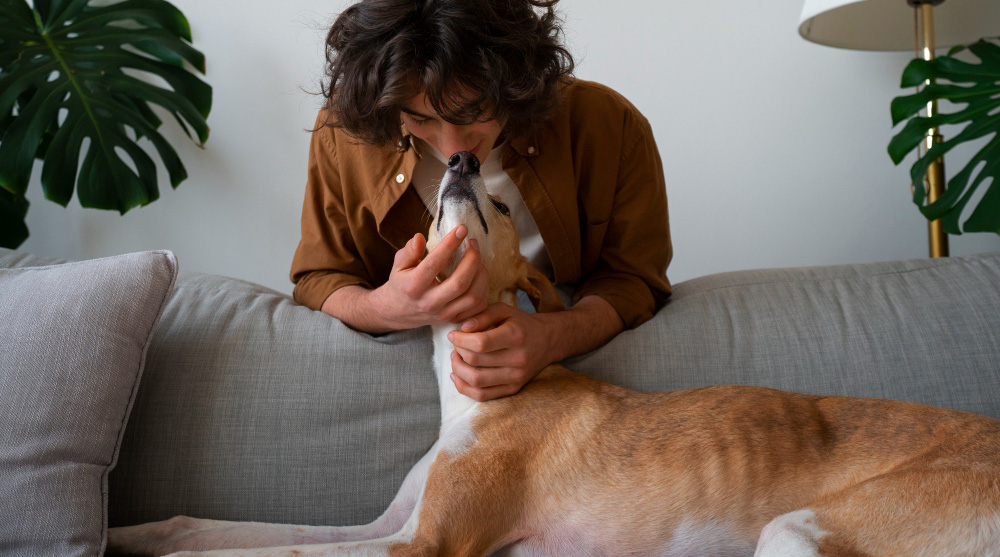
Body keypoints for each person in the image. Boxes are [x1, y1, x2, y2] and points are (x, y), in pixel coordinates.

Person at [290, 0, 671, 402]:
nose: (454, 148)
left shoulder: (608, 124)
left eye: (473, 110)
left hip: (565, 366)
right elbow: (319, 278)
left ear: (513, 80)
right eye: (421, 119)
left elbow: (634, 281)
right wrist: (384, 307)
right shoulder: (345, 134)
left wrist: (551, 338)